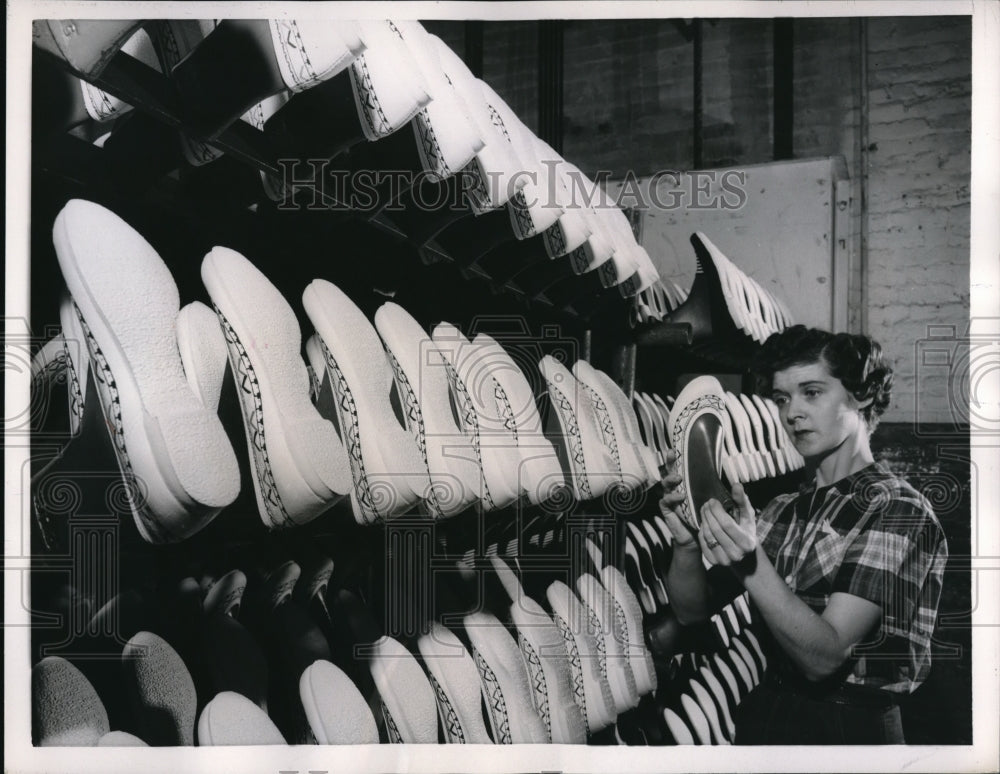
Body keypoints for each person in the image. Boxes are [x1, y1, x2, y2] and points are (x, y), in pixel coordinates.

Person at [658, 326, 948, 744]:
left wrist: (749, 561)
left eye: (811, 392)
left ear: (860, 395)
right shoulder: (783, 510)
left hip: (849, 729)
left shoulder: (897, 509)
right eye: (781, 398)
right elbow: (691, 612)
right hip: (769, 711)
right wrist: (686, 544)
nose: (792, 413)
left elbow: (826, 658)